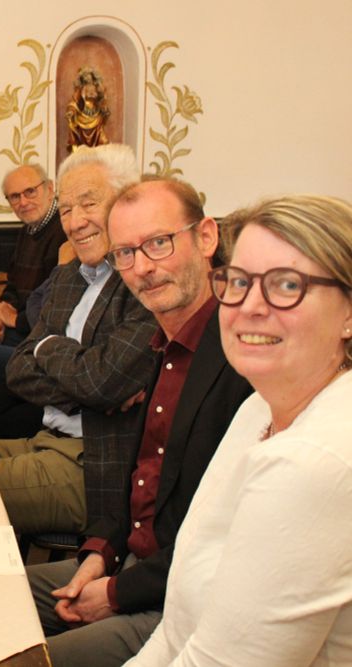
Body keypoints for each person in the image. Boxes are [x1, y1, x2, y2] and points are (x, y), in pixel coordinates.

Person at [29, 178, 252, 666]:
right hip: (128, 564)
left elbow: (219, 541)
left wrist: (116, 592)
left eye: (158, 243)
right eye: (125, 252)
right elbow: (141, 480)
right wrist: (101, 553)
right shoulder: (163, 342)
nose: (143, 268)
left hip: (176, 605)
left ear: (207, 237)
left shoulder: (242, 358)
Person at [128, 195, 352, 666]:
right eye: (239, 282)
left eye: (287, 285)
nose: (249, 306)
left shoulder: (314, 462)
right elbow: (175, 634)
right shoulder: (257, 408)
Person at [0, 144, 157, 534]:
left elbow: (102, 380)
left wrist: (46, 349)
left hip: (92, 464)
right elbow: (18, 369)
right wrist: (88, 392)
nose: (75, 222)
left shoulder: (143, 282)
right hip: (45, 439)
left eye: (88, 204)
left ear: (125, 203)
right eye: (64, 209)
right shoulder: (68, 276)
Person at [0, 163, 66, 384]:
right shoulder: (29, 229)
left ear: (50, 189)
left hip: (39, 334)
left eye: (30, 192)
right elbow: (14, 285)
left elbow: (53, 309)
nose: (23, 202)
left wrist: (14, 320)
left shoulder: (64, 231)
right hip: (21, 322)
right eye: (15, 197)